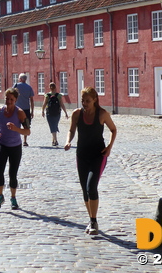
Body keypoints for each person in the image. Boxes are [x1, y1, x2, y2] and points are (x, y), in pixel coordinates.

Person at [64, 87, 117, 235]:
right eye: (83, 101)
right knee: (85, 190)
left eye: (87, 101)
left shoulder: (102, 114)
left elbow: (113, 130)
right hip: (81, 155)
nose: (84, 103)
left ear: (95, 100)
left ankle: (94, 221)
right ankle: (91, 219)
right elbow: (72, 130)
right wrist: (68, 141)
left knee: (91, 186)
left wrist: (109, 147)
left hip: (98, 156)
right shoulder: (77, 114)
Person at [0, 88, 31, 210]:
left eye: (11, 99)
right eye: (7, 99)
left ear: (16, 100)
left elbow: (28, 131)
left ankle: (13, 198)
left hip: (15, 147)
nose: (8, 101)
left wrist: (16, 129)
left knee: (12, 174)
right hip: (2, 145)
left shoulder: (20, 113)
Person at [41, 82, 69, 146]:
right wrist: (66, 113)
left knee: (52, 126)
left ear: (49, 87)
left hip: (49, 113)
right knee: (55, 125)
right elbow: (62, 104)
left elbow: (44, 104)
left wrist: (42, 111)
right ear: (55, 87)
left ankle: (55, 140)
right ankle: (53, 140)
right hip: (57, 113)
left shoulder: (47, 95)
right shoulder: (58, 95)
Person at [13, 73, 34, 146]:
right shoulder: (29, 87)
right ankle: (25, 141)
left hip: (17, 109)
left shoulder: (16, 86)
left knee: (15, 124)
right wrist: (32, 111)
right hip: (26, 109)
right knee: (26, 125)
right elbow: (31, 100)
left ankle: (16, 139)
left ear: (21, 79)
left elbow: (12, 95)